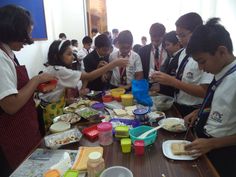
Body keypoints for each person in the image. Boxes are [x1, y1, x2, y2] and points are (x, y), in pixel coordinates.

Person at [0, 5, 56, 176]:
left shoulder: (9, 54)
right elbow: (11, 104)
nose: (28, 40)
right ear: (13, 31)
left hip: (26, 128)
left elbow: (17, 90)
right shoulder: (0, 58)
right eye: (26, 35)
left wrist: (37, 89)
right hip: (12, 135)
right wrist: (37, 79)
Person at [184, 18, 236, 177]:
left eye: (202, 61)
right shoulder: (222, 73)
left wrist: (213, 143)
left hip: (224, 153)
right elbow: (226, 106)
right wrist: (201, 111)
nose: (201, 68)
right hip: (208, 145)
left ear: (222, 51)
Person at [38, 39, 128, 129]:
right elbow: (88, 76)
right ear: (57, 56)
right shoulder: (59, 70)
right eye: (69, 54)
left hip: (53, 106)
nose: (73, 57)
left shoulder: (52, 68)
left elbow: (57, 91)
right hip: (51, 110)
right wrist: (113, 64)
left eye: (72, 54)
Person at [150, 13, 213, 117]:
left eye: (182, 35)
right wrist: (164, 79)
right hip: (177, 104)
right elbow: (183, 79)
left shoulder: (206, 55)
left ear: (197, 32)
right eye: (178, 35)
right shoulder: (183, 52)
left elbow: (204, 91)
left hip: (194, 108)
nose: (179, 39)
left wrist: (173, 81)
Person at [158, 31, 183, 97]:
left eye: (168, 45)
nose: (166, 48)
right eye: (165, 45)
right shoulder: (170, 57)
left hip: (173, 94)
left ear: (177, 44)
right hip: (166, 93)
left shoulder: (181, 57)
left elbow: (179, 78)